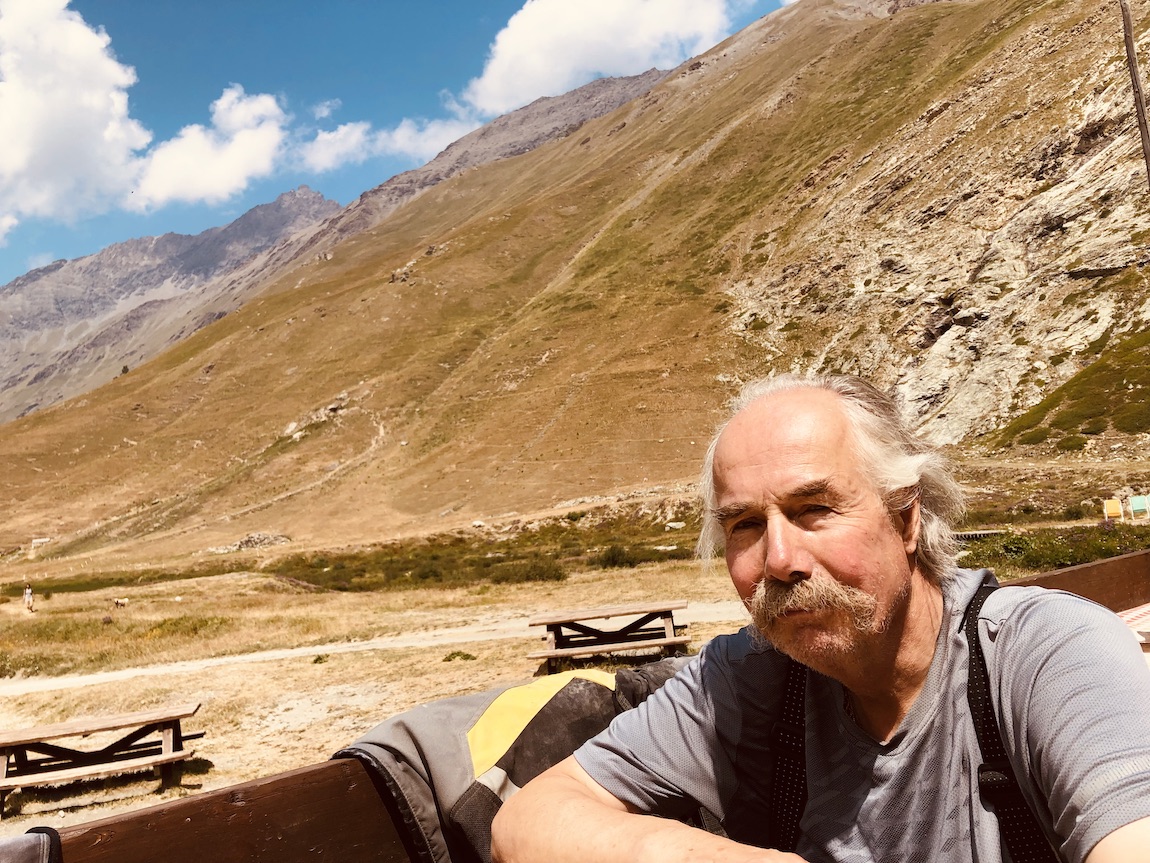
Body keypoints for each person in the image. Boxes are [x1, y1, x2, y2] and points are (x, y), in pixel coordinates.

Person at [492, 373, 1150, 863]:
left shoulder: (1044, 654)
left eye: (814, 509)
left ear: (906, 518)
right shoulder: (747, 680)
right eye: (745, 525)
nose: (779, 559)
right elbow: (525, 823)